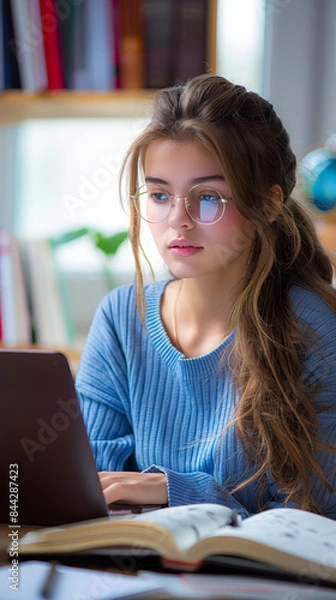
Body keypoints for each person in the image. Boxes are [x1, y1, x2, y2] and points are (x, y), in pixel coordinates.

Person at [75, 74, 336, 519]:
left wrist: (173, 489)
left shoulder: (314, 331)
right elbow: (94, 482)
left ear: (269, 204)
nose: (178, 219)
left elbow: (315, 516)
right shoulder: (121, 318)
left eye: (208, 197)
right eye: (159, 194)